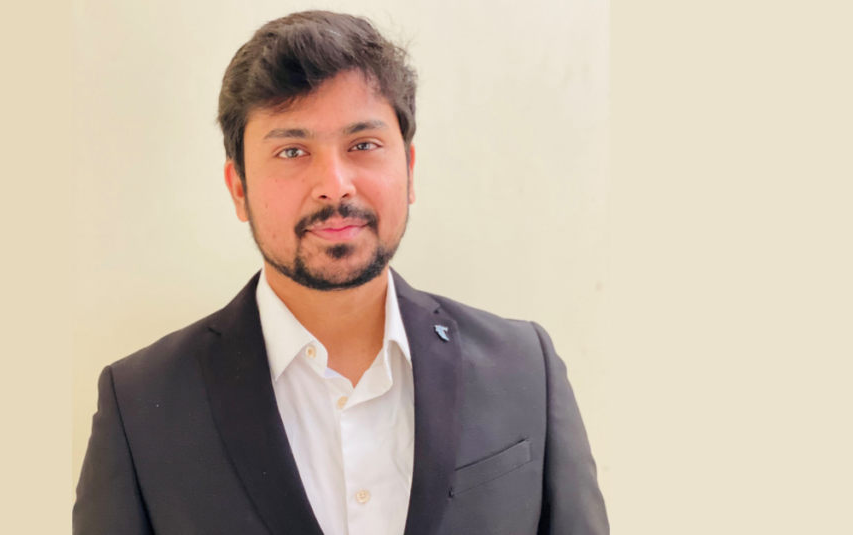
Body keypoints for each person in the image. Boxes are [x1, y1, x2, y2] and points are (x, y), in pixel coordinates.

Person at [74, 10, 608, 535]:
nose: (334, 185)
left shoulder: (525, 370)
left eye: (363, 145)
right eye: (292, 151)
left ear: (409, 169)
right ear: (239, 189)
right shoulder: (140, 406)